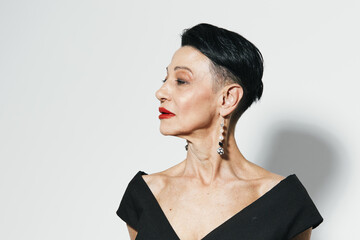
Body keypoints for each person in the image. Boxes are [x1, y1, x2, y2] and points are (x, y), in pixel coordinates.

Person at [116, 23, 323, 240]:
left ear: (227, 99)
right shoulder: (146, 194)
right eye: (165, 79)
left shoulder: (285, 202)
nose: (161, 92)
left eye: (181, 81)